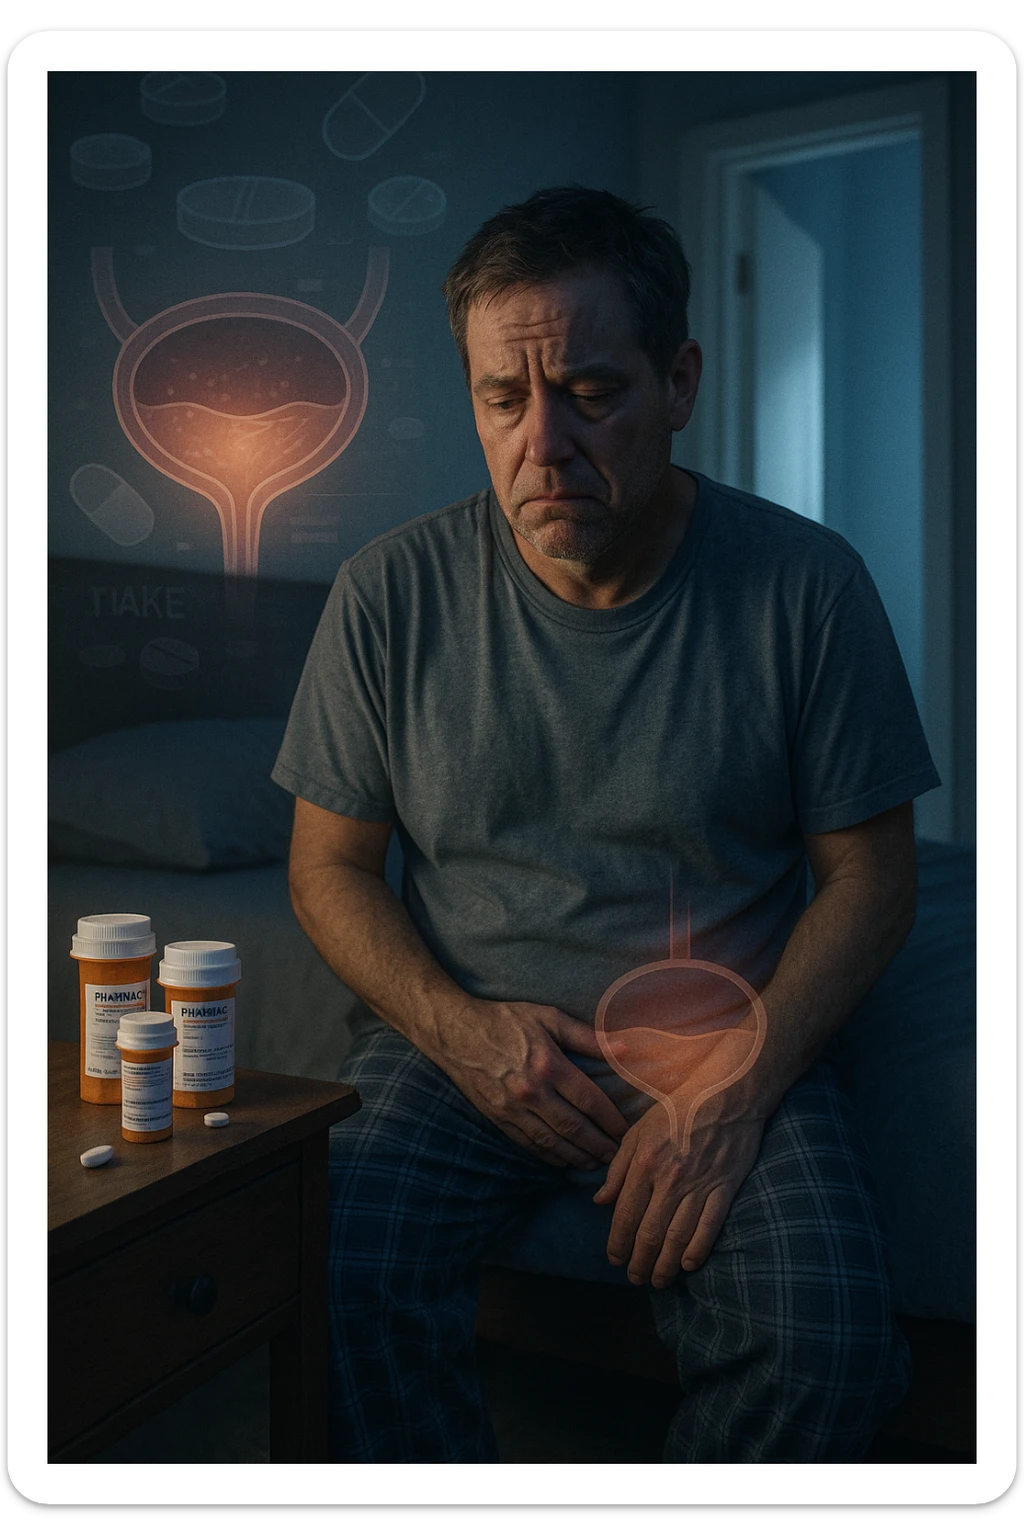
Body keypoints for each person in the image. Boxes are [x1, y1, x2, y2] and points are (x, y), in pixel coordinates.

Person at [271, 186, 940, 1463]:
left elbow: (872, 878)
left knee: (830, 1345)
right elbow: (329, 870)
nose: (543, 445)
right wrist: (468, 1039)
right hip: (467, 1033)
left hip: (720, 1034)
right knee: (329, 1253)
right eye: (502, 400)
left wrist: (739, 1088)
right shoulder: (386, 594)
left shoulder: (805, 586)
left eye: (589, 392)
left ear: (679, 382)